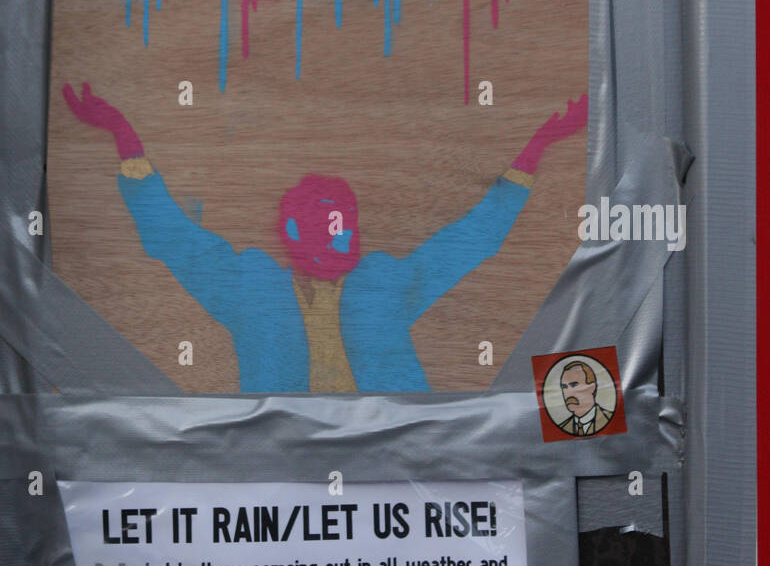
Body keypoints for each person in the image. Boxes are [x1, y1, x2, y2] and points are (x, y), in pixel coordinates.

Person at [63, 83, 588, 394]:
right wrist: (121, 134)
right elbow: (173, 237)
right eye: (325, 223)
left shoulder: (383, 280)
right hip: (288, 468)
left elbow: (474, 237)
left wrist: (538, 145)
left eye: (344, 223)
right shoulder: (251, 287)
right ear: (290, 230)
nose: (339, 236)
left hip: (397, 458)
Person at [558, 359, 612, 435]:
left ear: (592, 387)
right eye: (564, 387)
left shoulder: (612, 420)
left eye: (574, 385)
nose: (568, 392)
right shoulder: (562, 428)